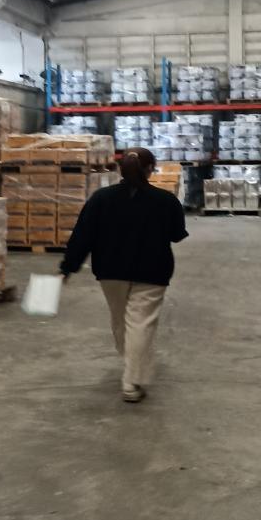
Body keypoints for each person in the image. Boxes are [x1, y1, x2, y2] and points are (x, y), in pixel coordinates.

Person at [59, 147, 188, 403]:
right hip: (152, 271)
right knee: (141, 323)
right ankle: (131, 381)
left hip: (110, 271)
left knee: (120, 321)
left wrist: (68, 267)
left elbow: (82, 236)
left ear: (120, 169)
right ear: (150, 169)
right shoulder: (165, 201)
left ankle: (131, 363)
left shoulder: (100, 199)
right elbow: (176, 235)